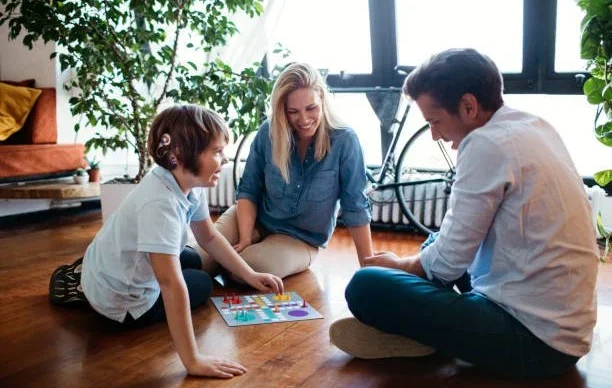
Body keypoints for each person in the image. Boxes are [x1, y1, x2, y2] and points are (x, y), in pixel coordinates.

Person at [329, 48, 599, 379]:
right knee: (433, 242)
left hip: (536, 343)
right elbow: (453, 246)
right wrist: (418, 269)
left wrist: (400, 267)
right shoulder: (532, 125)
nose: (435, 134)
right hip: (563, 331)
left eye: (435, 121)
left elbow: (447, 265)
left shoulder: (485, 144)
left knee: (365, 284)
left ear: (468, 107)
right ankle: (431, 328)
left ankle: (421, 332)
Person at [49, 104, 284, 379]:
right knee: (200, 284)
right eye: (217, 152)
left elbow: (207, 236)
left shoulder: (184, 182)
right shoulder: (160, 204)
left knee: (194, 259)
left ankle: (89, 276)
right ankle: (85, 289)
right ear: (179, 155)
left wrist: (250, 274)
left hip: (113, 259)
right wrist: (193, 360)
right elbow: (170, 283)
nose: (225, 160)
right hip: (123, 302)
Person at [194, 63, 375, 280]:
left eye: (311, 108)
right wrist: (244, 237)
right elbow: (249, 189)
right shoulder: (268, 132)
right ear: (282, 110)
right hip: (253, 218)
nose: (304, 120)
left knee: (245, 270)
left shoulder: (345, 141)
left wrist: (369, 270)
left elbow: (355, 206)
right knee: (195, 259)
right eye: (293, 112)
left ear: (323, 101)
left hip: (300, 239)